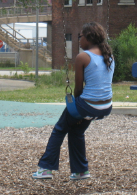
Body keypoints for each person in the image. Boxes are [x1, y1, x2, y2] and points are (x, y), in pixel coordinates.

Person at [32, 22, 114, 180]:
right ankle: (81, 171)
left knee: (59, 129)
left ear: (88, 38)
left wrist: (76, 108)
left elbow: (78, 89)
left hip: (88, 106)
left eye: (80, 36)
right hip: (106, 106)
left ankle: (45, 169)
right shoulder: (108, 55)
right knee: (76, 132)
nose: (79, 40)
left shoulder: (83, 57)